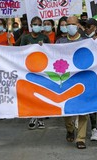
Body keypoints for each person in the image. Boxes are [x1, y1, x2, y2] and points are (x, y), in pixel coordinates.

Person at [56, 16, 88, 149]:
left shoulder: (86, 41)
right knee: (66, 108)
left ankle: (81, 138)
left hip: (82, 79)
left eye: (72, 24)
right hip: (66, 79)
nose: (69, 26)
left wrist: (96, 42)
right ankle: (70, 129)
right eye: (67, 24)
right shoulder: (60, 42)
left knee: (84, 109)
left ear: (78, 25)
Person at [20, 16, 50, 129]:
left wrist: (44, 47)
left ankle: (41, 118)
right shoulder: (25, 38)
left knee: (41, 94)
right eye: (34, 24)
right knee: (31, 94)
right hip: (29, 69)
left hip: (42, 69)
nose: (36, 26)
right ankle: (32, 116)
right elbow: (20, 51)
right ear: (31, 25)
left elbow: (51, 52)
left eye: (38, 24)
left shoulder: (45, 38)